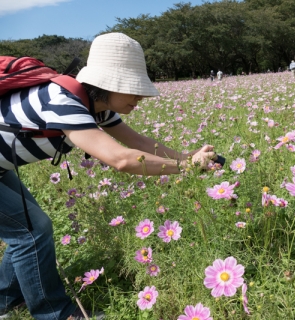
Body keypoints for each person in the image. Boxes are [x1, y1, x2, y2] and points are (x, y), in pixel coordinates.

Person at [0, 33, 216, 320]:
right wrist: (187, 169)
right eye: (132, 88)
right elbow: (121, 159)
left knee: (28, 227)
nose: (139, 96)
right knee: (33, 230)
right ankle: (55, 314)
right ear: (106, 84)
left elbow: (138, 143)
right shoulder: (63, 101)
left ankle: (6, 300)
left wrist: (187, 157)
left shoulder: (95, 106)